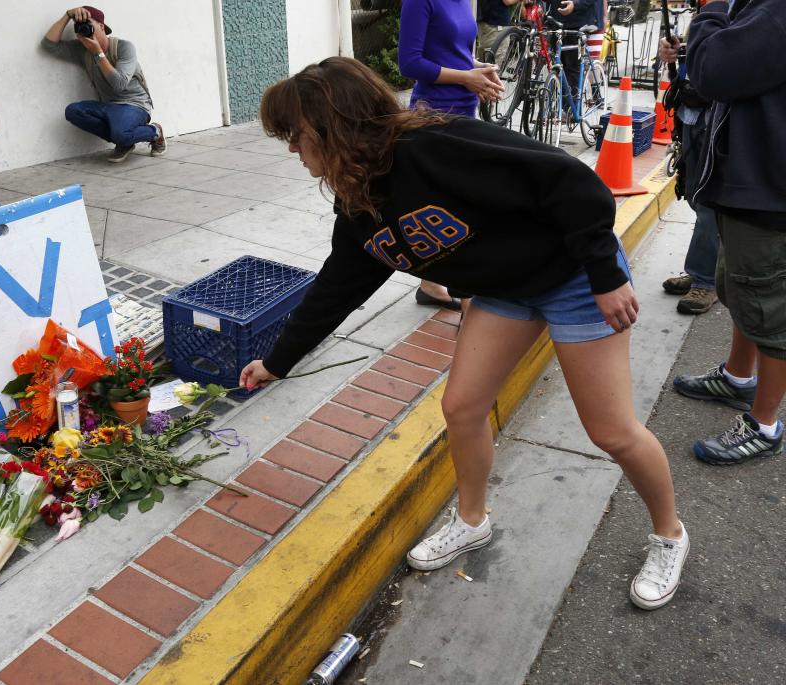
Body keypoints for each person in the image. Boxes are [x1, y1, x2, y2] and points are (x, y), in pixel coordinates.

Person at [242, 57, 689, 610]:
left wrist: (603, 273)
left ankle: (669, 534)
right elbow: (340, 282)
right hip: (505, 290)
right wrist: (279, 361)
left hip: (573, 275)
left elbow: (568, 179)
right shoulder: (356, 194)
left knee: (611, 432)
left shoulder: (434, 147)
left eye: (296, 135)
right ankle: (472, 521)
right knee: (461, 407)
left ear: (335, 125)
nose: (292, 148)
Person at [673, 0, 786, 465]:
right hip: (752, 181)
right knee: (739, 287)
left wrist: (713, 12)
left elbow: (716, 71)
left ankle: (764, 423)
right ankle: (739, 377)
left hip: (767, 188)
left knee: (768, 307)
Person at [399, 0, 505, 311]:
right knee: (456, 206)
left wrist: (477, 69)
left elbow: (452, 53)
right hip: (433, 115)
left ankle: (433, 284)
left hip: (463, 111)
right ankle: (464, 299)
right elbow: (410, 63)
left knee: (453, 204)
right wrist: (465, 77)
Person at [42, 6, 165, 164]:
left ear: (101, 26)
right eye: (79, 26)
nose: (83, 29)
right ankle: (124, 141)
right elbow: (49, 45)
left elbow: (119, 84)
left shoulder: (123, 47)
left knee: (121, 133)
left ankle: (154, 132)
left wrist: (98, 52)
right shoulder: (82, 49)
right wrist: (67, 15)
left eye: (87, 24)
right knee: (73, 111)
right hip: (108, 106)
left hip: (135, 105)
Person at [658, 29, 720, 315]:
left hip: (719, 118)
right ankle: (702, 272)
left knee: (709, 203)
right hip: (692, 114)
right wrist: (675, 51)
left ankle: (707, 280)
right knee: (696, 198)